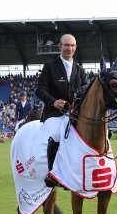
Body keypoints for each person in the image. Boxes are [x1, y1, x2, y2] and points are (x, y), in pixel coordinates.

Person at [36, 34, 88, 184]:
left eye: (72, 45)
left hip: (74, 114)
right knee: (58, 135)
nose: (69, 48)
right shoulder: (50, 67)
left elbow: (85, 92)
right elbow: (40, 90)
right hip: (53, 114)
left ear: (75, 47)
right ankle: (52, 173)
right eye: (66, 45)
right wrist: (53, 102)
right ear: (60, 46)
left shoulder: (80, 70)